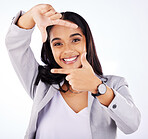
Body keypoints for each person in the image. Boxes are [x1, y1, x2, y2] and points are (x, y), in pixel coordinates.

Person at [5, 4, 141, 139]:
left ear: (87, 43)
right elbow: (15, 44)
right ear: (50, 50)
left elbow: (131, 125)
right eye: (58, 43)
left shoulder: (114, 84)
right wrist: (30, 15)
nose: (68, 50)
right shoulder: (41, 84)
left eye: (75, 40)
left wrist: (98, 88)